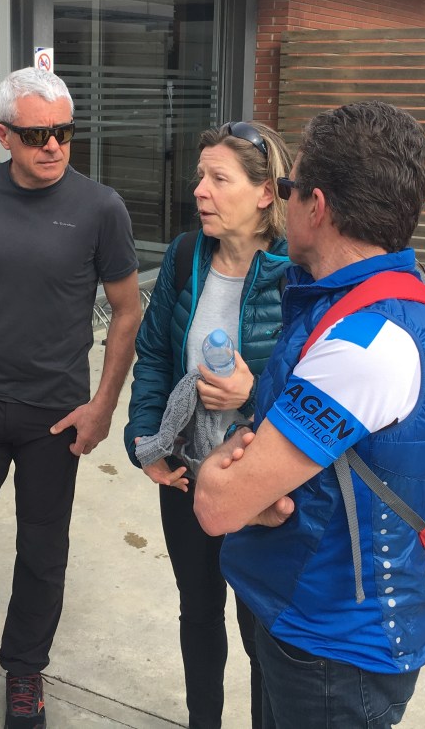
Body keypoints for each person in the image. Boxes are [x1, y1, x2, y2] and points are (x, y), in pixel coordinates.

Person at [193, 102, 425, 729]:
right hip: (302, 616)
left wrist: (222, 471)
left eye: (287, 188)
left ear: (317, 206)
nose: (282, 201)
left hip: (336, 652)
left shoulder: (367, 343)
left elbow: (218, 505)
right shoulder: (345, 304)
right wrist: (256, 469)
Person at [0, 67, 140, 729]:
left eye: (64, 132)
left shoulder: (101, 208)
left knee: (42, 554)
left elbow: (128, 311)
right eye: (37, 135)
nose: (54, 146)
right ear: (4, 134)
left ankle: (24, 672)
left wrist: (103, 406)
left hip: (56, 414)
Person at [124, 120, 291, 729]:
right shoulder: (185, 255)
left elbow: (319, 391)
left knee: (260, 628)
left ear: (265, 192)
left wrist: (255, 392)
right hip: (189, 476)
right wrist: (147, 442)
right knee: (198, 612)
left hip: (258, 481)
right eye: (201, 176)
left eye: (219, 178)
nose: (200, 190)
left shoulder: (297, 273)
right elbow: (154, 356)